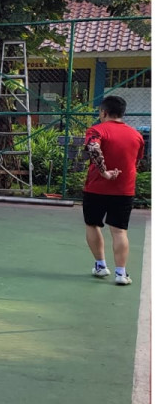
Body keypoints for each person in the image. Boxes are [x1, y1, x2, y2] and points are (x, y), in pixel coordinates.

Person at [82, 95, 145, 286]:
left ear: (104, 112)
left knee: (93, 225)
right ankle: (121, 273)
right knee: (119, 231)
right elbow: (137, 161)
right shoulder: (137, 135)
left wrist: (104, 172)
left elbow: (93, 148)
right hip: (124, 190)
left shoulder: (96, 130)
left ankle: (101, 266)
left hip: (96, 188)